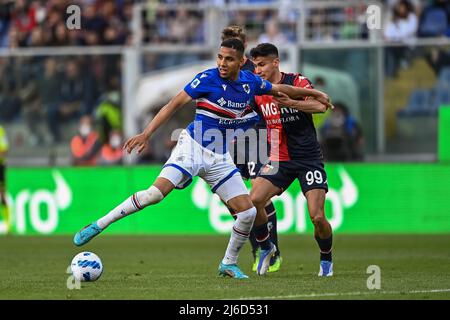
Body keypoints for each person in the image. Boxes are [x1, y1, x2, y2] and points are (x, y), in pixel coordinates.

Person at [73, 38, 331, 279]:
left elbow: (279, 89)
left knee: (248, 212)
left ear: (241, 62)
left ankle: (228, 263)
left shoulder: (250, 83)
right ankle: (98, 224)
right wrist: (146, 133)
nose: (221, 63)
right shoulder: (206, 79)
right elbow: (173, 105)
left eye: (228, 59)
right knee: (155, 194)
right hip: (192, 148)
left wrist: (317, 95)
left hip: (219, 157)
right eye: (219, 57)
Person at [248, 43, 334, 276]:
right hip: (279, 158)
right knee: (253, 200)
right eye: (255, 65)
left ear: (276, 62)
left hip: (308, 158)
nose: (258, 70)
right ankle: (267, 246)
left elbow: (321, 105)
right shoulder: (257, 90)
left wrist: (292, 103)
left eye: (262, 64)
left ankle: (326, 259)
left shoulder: (297, 82)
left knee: (317, 217)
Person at [221, 25, 282, 273]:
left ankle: (270, 250)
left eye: (235, 42)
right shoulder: (222, 71)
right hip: (230, 140)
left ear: (243, 47)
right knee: (230, 197)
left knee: (259, 195)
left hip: (257, 136)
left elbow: (270, 98)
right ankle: (259, 245)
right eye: (226, 43)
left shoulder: (254, 71)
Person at [0, 124, 10, 234]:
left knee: (2, 195)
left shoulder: (0, 130)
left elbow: (4, 150)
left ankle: (7, 223)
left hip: (0, 166)